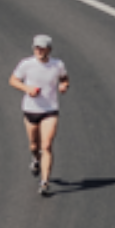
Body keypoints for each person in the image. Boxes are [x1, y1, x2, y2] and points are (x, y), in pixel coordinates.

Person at [9, 34, 69, 196]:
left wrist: (63, 86)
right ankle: (36, 160)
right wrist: (27, 89)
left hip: (50, 110)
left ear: (49, 49)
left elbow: (64, 79)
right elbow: (13, 80)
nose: (39, 50)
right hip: (30, 109)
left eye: (42, 48)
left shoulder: (57, 65)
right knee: (34, 146)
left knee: (46, 145)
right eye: (37, 47)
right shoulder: (26, 64)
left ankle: (44, 182)